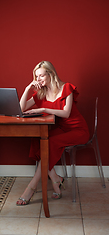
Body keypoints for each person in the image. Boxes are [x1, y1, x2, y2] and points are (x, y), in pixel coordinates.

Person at [16, 61, 89, 205]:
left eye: (41, 76)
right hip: (62, 129)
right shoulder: (41, 93)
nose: (38, 80)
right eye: (36, 77)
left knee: (50, 142)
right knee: (39, 140)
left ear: (51, 74)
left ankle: (31, 187)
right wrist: (27, 88)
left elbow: (66, 113)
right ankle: (55, 178)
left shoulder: (66, 87)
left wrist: (43, 110)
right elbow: (21, 108)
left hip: (78, 130)